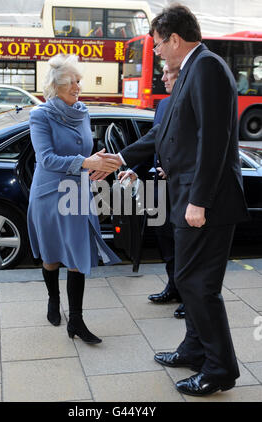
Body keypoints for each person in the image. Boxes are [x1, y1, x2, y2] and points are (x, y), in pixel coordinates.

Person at [88, 4, 249, 396]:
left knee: (197, 285)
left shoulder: (207, 67)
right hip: (188, 197)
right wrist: (120, 158)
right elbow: (165, 134)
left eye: (159, 44)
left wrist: (199, 201)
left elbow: (214, 141)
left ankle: (220, 369)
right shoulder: (192, 70)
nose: (157, 51)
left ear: (175, 39)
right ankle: (195, 349)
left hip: (204, 203)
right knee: (189, 282)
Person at [27, 54, 120, 345]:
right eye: (72, 82)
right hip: (49, 193)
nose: (78, 86)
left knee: (79, 255)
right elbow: (47, 159)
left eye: (79, 81)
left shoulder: (82, 112)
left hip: (78, 192)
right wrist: (86, 162)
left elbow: (86, 152)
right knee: (52, 256)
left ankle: (76, 321)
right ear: (57, 85)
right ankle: (54, 301)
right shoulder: (40, 115)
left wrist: (99, 164)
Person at [118, 63, 185, 319]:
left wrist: (174, 167)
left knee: (184, 246)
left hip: (182, 189)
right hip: (159, 189)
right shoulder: (164, 105)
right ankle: (173, 287)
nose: (163, 78)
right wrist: (135, 169)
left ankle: (190, 300)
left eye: (169, 74)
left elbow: (198, 148)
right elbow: (154, 146)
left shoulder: (192, 106)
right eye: (164, 73)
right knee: (165, 240)